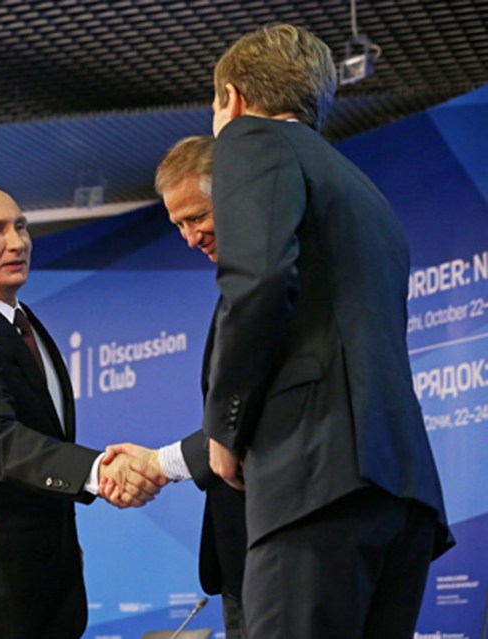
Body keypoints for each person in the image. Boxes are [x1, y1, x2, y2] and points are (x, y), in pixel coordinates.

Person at [203, 23, 452, 638]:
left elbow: (259, 283)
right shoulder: (364, 190)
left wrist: (226, 426)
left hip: (314, 480)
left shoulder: (249, 141)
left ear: (231, 98)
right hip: (402, 491)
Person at [0, 184, 166, 639]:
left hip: (40, 585)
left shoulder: (20, 322)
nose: (17, 241)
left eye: (21, 226)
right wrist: (97, 470)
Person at [105, 135, 248, 639]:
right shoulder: (235, 288)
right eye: (179, 225)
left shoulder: (269, 289)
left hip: (282, 552)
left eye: (197, 218)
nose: (190, 237)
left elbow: (250, 421)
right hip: (244, 563)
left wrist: (155, 464)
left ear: (237, 194)